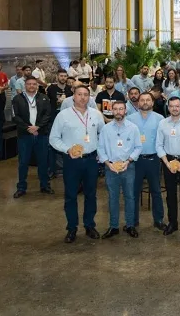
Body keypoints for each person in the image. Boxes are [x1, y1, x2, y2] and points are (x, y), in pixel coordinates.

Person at [49, 85, 105, 243]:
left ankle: (89, 225)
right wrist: (68, 149)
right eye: (79, 94)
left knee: (90, 194)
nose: (82, 97)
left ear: (90, 97)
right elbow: (53, 139)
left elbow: (103, 134)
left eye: (86, 94)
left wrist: (101, 153)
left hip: (91, 160)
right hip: (72, 161)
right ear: (73, 96)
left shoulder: (96, 114)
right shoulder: (63, 115)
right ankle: (72, 228)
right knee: (71, 195)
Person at [98, 100, 142, 239]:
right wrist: (107, 163)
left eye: (121, 109)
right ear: (112, 111)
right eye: (115, 109)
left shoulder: (133, 128)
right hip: (111, 168)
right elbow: (101, 148)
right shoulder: (106, 129)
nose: (118, 111)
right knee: (113, 198)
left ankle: (130, 225)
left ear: (125, 111)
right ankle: (114, 226)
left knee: (130, 196)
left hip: (128, 167)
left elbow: (138, 147)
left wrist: (129, 161)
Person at [127, 92, 165, 231]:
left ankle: (159, 220)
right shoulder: (130, 119)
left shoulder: (160, 119)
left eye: (148, 100)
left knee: (156, 191)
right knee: (133, 191)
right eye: (142, 100)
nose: (145, 102)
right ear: (138, 102)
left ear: (153, 102)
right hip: (135, 160)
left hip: (153, 159)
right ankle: (132, 221)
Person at [156, 96, 180, 235]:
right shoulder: (162, 123)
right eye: (171, 106)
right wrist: (166, 163)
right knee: (170, 194)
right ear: (168, 107)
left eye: (177, 106)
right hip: (168, 161)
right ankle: (173, 222)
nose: (174, 108)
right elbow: (159, 145)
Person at [12, 76, 53, 198]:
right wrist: (29, 128)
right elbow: (16, 117)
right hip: (25, 135)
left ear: (37, 85)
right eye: (29, 84)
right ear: (25, 85)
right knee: (23, 162)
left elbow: (47, 114)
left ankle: (45, 185)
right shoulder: (17, 99)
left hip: (41, 134)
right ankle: (21, 188)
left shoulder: (44, 98)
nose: (31, 86)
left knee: (43, 162)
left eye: (34, 84)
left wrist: (38, 127)